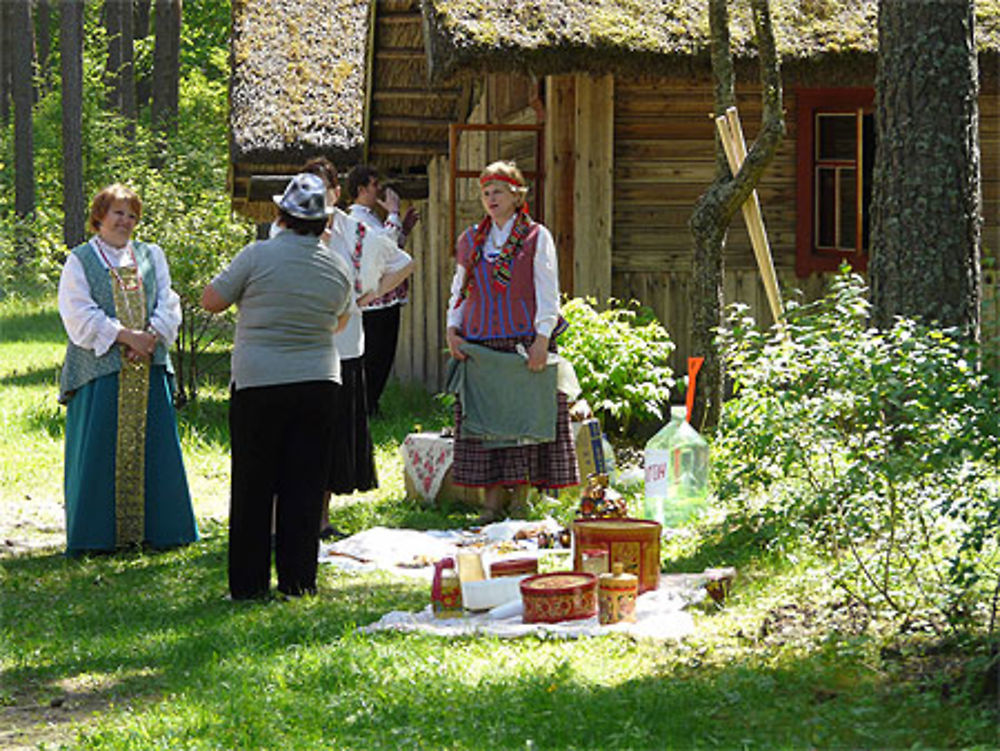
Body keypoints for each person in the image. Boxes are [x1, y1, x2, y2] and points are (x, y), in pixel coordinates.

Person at [201, 173, 354, 599]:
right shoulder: (336, 264)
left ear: (280, 215)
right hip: (319, 381)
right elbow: (340, 320)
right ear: (323, 223)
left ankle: (249, 586)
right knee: (304, 485)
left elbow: (211, 300)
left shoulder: (256, 256)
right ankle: (299, 581)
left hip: (259, 382)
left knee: (254, 485)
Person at [57, 183, 199, 555]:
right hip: (100, 372)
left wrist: (149, 337)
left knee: (155, 450)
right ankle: (97, 536)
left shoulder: (151, 255)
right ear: (99, 216)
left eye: (132, 214)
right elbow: (77, 312)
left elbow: (169, 301)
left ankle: (164, 530)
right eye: (118, 213)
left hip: (148, 367)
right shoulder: (81, 259)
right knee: (99, 453)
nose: (126, 221)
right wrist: (124, 337)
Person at [446, 160, 579, 522]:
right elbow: (460, 290)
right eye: (486, 192)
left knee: (524, 424)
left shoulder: (537, 237)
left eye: (498, 191)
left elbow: (547, 292)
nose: (490, 198)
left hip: (523, 343)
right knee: (484, 425)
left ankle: (520, 501)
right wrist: (452, 329)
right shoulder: (471, 239)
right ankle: (490, 505)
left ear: (517, 194)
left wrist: (542, 338)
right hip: (480, 345)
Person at [303, 158, 413, 539]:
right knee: (302, 431)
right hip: (301, 346)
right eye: (309, 187)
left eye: (324, 187)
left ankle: (321, 516)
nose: (319, 195)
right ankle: (288, 513)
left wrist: (371, 294)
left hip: (345, 345)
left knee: (333, 432)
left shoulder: (358, 229)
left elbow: (403, 261)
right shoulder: (294, 227)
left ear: (337, 191)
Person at [346, 164, 420, 416]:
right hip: (375, 299)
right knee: (376, 354)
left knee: (383, 353)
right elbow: (383, 245)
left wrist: (404, 228)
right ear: (361, 189)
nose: (379, 190)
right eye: (375, 185)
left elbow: (390, 252)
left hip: (385, 297)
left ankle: (370, 404)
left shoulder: (369, 217)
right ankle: (366, 405)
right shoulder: (357, 218)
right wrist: (394, 213)